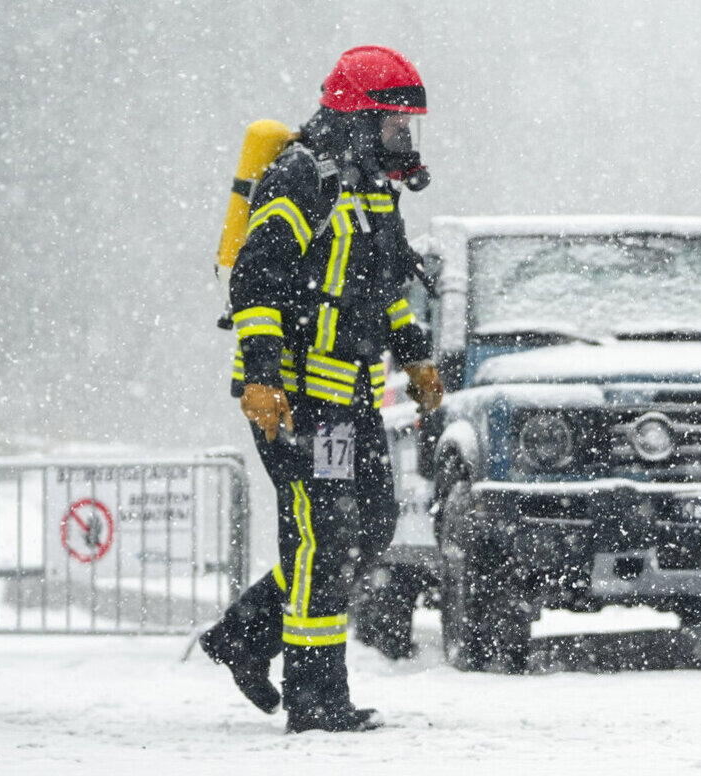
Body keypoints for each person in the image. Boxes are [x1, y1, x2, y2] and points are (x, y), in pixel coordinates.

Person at [198, 45, 445, 734]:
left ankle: (245, 634)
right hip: (300, 403)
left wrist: (417, 358)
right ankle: (316, 698)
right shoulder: (304, 176)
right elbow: (256, 280)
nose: (406, 139)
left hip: (348, 405)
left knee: (366, 531)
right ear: (361, 119)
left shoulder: (374, 189)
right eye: (397, 125)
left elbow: (386, 291)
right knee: (325, 534)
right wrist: (262, 376)